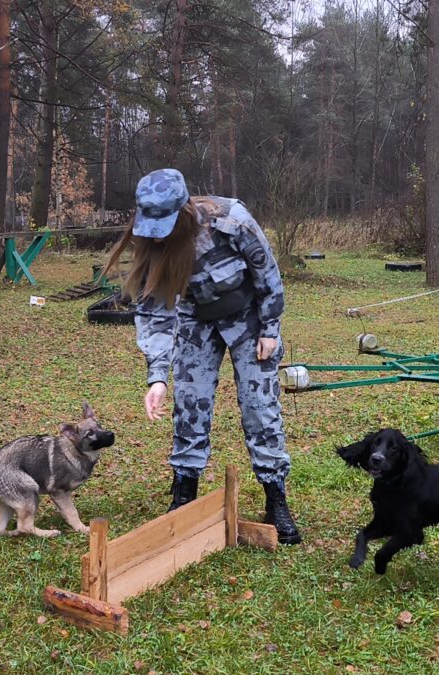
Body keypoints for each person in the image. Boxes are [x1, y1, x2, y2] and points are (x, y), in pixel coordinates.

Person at [105, 168, 301, 545]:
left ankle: (275, 498)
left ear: (182, 212)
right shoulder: (151, 244)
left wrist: (270, 330)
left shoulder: (231, 220)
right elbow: (154, 311)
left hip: (248, 319)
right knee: (189, 406)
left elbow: (267, 274)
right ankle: (184, 496)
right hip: (196, 320)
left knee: (260, 408)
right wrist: (158, 376)